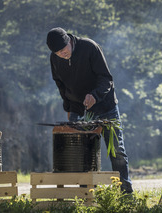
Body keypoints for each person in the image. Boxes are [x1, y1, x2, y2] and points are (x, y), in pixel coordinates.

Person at [46, 27, 133, 193]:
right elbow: (61, 86)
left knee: (117, 151)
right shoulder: (55, 58)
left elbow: (106, 79)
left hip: (105, 106)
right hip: (78, 108)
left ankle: (126, 193)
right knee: (78, 153)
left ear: (69, 42)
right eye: (58, 53)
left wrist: (95, 95)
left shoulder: (89, 47)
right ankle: (84, 193)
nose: (62, 55)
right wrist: (69, 109)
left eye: (63, 50)